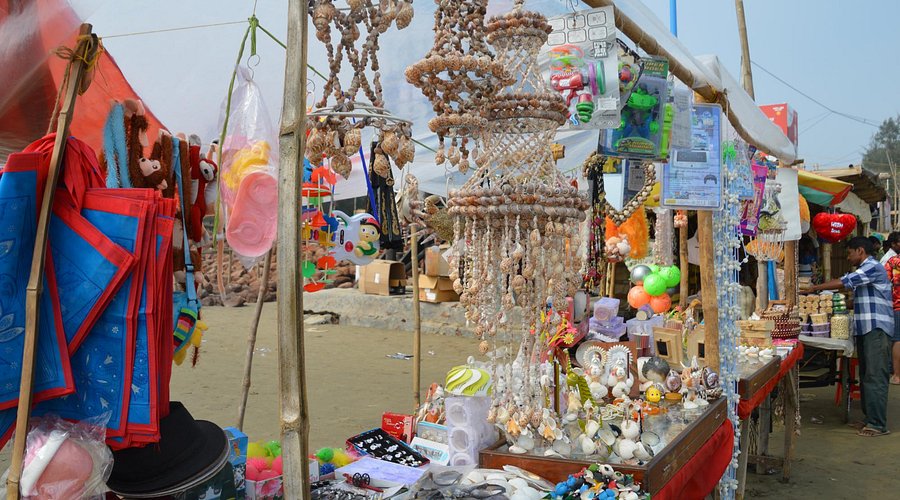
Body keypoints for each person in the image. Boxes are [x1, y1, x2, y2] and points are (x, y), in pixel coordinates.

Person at [803, 236, 894, 437]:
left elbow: (844, 282)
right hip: (866, 329)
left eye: (850, 253)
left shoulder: (872, 267)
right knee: (866, 375)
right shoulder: (865, 271)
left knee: (875, 376)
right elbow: (857, 299)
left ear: (860, 251)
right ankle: (870, 419)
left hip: (876, 329)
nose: (848, 257)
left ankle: (878, 424)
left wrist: (814, 288)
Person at [883, 232, 900, 384]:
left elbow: (884, 283)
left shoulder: (893, 262)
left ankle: (897, 375)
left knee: (897, 339)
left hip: (897, 305)